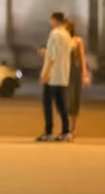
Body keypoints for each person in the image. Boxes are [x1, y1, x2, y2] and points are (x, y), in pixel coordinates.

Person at [37, 11, 73, 142]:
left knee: (47, 103)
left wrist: (45, 73)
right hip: (63, 75)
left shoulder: (54, 34)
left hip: (52, 75)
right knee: (62, 105)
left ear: (55, 20)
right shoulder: (67, 35)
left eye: (51, 20)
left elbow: (52, 56)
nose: (50, 23)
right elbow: (61, 53)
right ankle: (66, 132)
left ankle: (48, 132)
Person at [64, 20, 90, 135]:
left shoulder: (78, 41)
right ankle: (65, 127)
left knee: (74, 99)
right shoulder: (61, 40)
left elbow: (82, 58)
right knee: (65, 100)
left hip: (75, 72)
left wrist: (85, 74)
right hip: (64, 72)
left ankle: (72, 127)